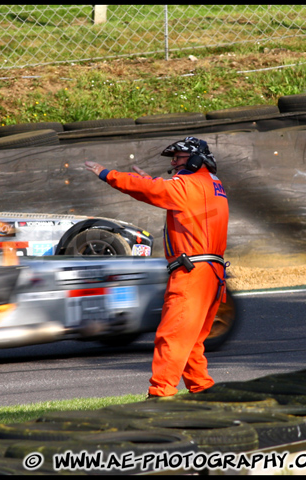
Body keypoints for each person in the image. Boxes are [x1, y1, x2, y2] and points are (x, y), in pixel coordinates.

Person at [85, 136, 229, 398]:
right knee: (191, 340)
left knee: (172, 335)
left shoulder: (187, 184)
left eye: (178, 158)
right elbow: (163, 190)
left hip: (192, 273)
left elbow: (157, 191)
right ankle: (204, 390)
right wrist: (151, 183)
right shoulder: (212, 184)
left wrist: (107, 174)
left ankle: (160, 395)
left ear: (196, 158)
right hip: (213, 274)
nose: (173, 163)